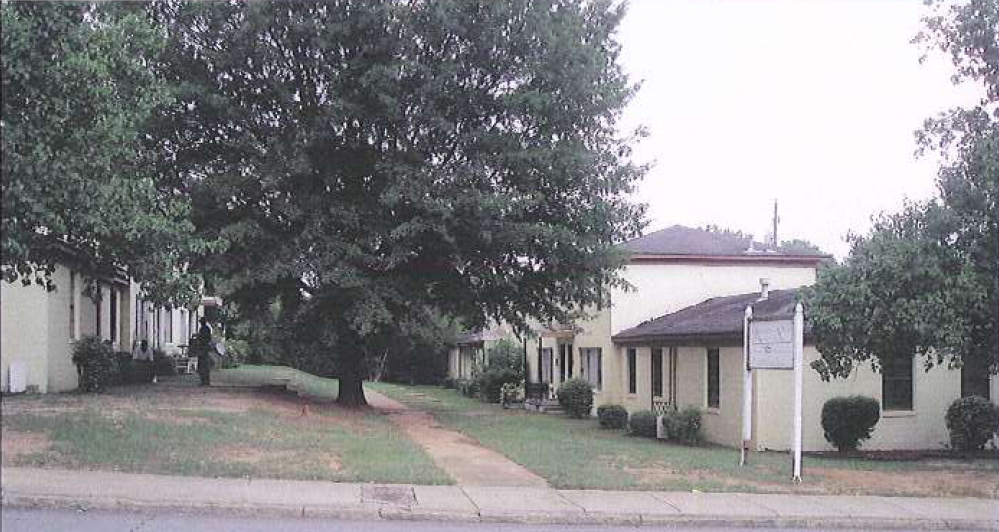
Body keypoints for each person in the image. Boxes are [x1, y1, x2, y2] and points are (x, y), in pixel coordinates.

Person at [195, 318, 215, 386]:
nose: (200, 323)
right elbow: (209, 338)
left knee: (202, 366)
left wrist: (198, 337)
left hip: (203, 349)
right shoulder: (207, 329)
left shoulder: (203, 329)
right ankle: (205, 381)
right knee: (204, 366)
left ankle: (204, 381)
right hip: (204, 349)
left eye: (201, 322)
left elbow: (203, 338)